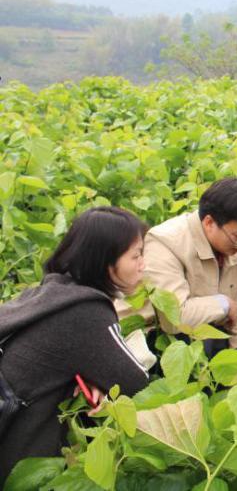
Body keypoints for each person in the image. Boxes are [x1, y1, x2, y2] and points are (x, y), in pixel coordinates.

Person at [0, 207, 150, 483]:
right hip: (21, 448)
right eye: (136, 255)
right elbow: (137, 384)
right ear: (106, 262)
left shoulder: (53, 290)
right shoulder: (87, 311)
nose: (143, 263)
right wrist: (99, 379)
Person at [127, 178, 237, 370]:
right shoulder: (165, 243)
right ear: (209, 222)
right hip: (151, 339)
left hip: (199, 331)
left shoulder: (234, 250)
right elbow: (174, 319)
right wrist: (223, 303)